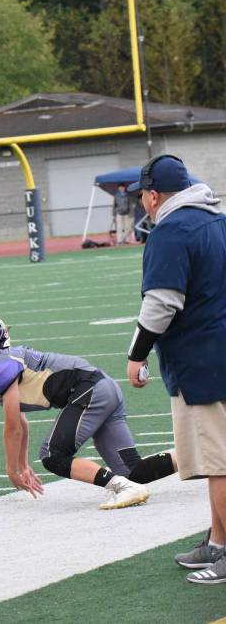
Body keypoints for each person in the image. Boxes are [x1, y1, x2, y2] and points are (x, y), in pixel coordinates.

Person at [0, 312, 176, 508]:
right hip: (102, 388)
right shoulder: (3, 363)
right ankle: (198, 454)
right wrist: (22, 464)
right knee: (134, 472)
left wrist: (12, 469)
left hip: (90, 390)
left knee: (52, 455)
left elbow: (12, 427)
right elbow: (20, 423)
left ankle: (121, 487)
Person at [124, 154, 226, 585]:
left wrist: (137, 353)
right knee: (211, 457)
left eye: (143, 197)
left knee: (219, 461)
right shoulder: (216, 221)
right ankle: (218, 542)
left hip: (203, 361)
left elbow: (162, 301)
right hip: (216, 351)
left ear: (152, 195)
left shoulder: (172, 230)